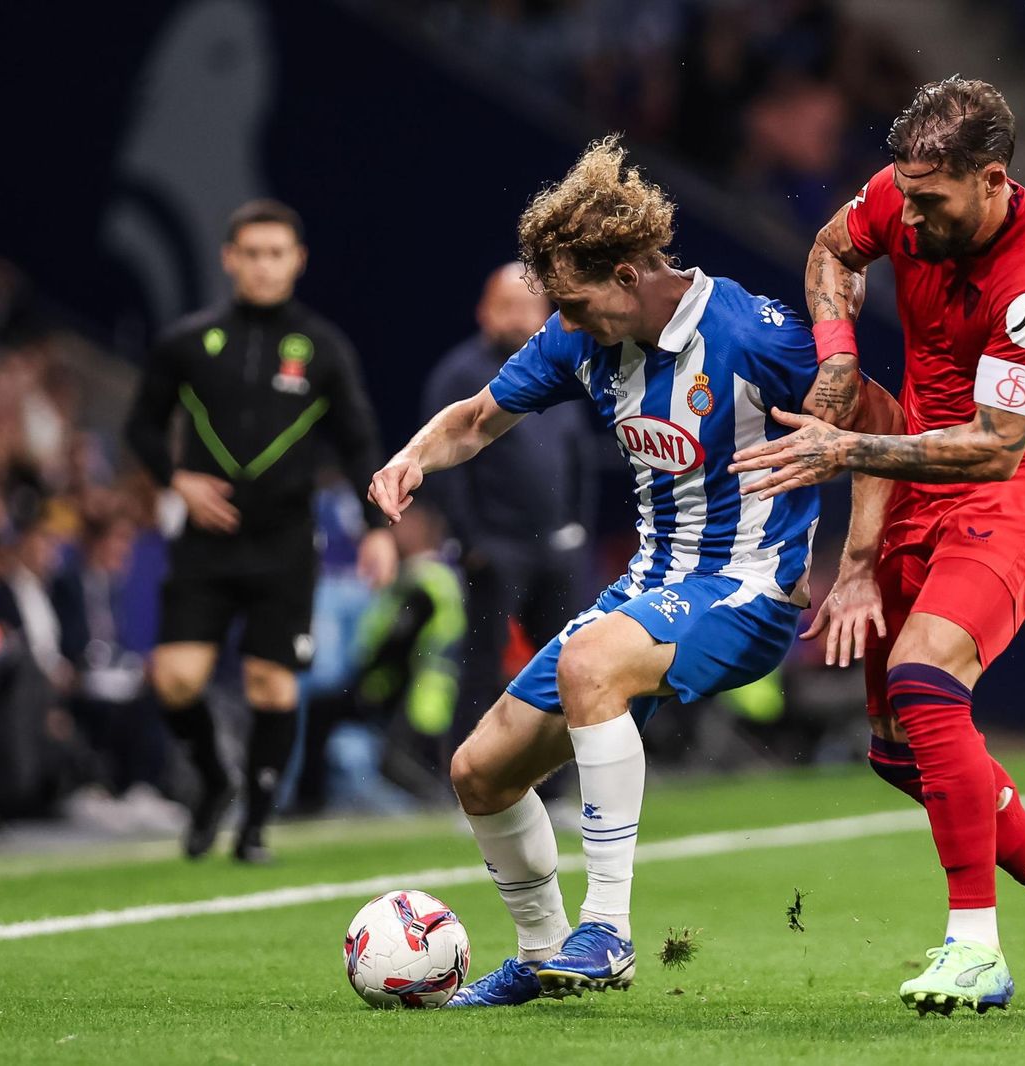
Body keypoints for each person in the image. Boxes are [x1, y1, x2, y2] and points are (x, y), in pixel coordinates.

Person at [368, 135, 897, 1008]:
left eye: (577, 303)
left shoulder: (750, 333)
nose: (567, 323)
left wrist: (860, 565)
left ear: (627, 274)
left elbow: (875, 425)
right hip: (647, 591)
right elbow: (475, 419)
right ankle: (545, 957)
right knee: (481, 771)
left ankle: (605, 931)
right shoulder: (581, 340)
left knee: (587, 665)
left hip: (748, 589)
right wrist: (412, 459)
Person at [729, 77, 1025, 1015]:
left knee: (924, 681)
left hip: (1018, 490)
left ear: (992, 179)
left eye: (929, 198)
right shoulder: (904, 196)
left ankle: (975, 947)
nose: (906, 212)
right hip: (913, 477)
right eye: (902, 191)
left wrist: (848, 446)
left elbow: (996, 444)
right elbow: (833, 246)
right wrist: (838, 354)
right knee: (898, 751)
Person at [124, 199, 397, 864]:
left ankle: (254, 825)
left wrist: (377, 527)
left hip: (282, 545)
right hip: (205, 544)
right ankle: (215, 781)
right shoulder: (187, 343)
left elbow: (360, 442)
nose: (264, 266)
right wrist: (176, 479)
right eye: (252, 253)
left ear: (297, 261)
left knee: (271, 685)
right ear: (229, 259)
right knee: (175, 680)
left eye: (277, 254)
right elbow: (140, 425)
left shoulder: (325, 349)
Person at [421, 264, 595, 744]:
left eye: (530, 307)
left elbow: (578, 458)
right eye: (509, 306)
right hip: (496, 547)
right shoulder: (460, 374)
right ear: (485, 311)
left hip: (557, 547)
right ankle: (465, 784)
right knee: (481, 667)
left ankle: (556, 786)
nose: (520, 318)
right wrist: (472, 541)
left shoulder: (559, 369)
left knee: (569, 666)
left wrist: (579, 529)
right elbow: (443, 463)